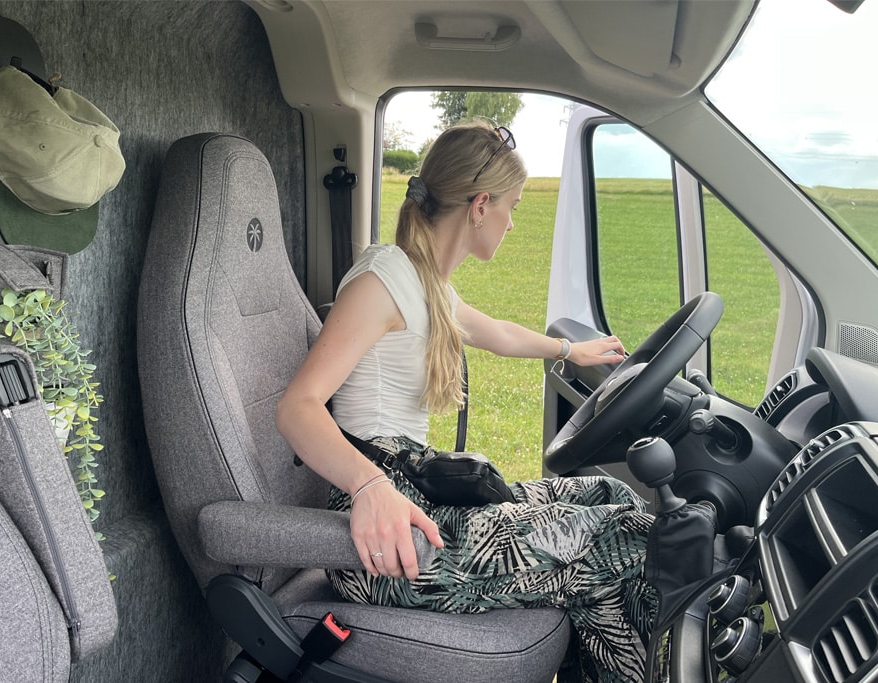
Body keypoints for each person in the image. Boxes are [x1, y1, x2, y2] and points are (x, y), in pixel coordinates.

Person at [276, 121, 657, 682]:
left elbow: (497, 332)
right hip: (388, 540)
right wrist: (369, 487)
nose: (512, 220)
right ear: (481, 205)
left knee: (610, 491)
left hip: (418, 498)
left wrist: (573, 350)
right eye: (513, 206)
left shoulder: (424, 281)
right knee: (633, 537)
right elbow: (298, 406)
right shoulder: (381, 281)